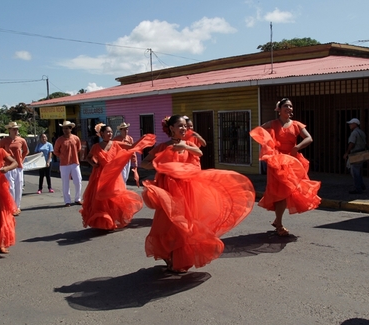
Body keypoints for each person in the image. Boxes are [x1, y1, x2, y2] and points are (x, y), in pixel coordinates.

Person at [141, 115, 255, 273]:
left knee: (185, 224)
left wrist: (185, 147)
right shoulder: (162, 147)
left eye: (185, 126)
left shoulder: (187, 144)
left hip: (187, 189)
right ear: (171, 128)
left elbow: (199, 152)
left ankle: (179, 258)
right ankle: (169, 255)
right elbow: (144, 162)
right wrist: (159, 165)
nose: (184, 129)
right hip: (169, 190)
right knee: (169, 223)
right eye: (179, 126)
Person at [250, 98, 321, 236]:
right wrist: (269, 146)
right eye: (286, 106)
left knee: (290, 191)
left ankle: (277, 221)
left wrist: (298, 147)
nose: (289, 108)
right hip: (277, 163)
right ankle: (279, 224)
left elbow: (309, 138)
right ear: (279, 109)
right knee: (280, 193)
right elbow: (257, 132)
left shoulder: (296, 125)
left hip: (292, 162)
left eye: (291, 106)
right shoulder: (272, 124)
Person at [81, 124, 155, 230]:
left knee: (114, 198)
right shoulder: (96, 146)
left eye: (111, 132)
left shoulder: (116, 144)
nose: (110, 134)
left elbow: (131, 147)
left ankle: (112, 219)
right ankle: (103, 221)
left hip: (113, 176)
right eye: (107, 132)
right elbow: (88, 157)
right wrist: (93, 164)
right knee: (101, 200)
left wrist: (142, 139)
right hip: (99, 175)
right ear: (101, 134)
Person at [0, 121, 29, 216]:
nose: (16, 131)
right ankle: (12, 207)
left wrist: (21, 159)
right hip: (8, 166)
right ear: (9, 130)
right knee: (10, 187)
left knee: (19, 186)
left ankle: (17, 206)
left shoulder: (21, 140)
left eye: (16, 129)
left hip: (18, 166)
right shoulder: (4, 141)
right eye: (14, 129)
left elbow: (26, 151)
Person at [53, 120, 82, 207]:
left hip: (75, 162)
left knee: (78, 181)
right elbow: (55, 151)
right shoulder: (59, 140)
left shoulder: (76, 138)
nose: (65, 130)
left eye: (67, 128)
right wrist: (62, 156)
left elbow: (78, 148)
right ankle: (67, 201)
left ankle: (78, 198)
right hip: (64, 164)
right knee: (65, 182)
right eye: (63, 128)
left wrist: (72, 154)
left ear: (71, 129)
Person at [343, 118, 367, 194]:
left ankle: (358, 188)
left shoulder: (354, 133)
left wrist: (347, 153)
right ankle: (361, 185)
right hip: (362, 153)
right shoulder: (361, 132)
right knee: (358, 171)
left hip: (356, 154)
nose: (349, 125)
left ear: (355, 124)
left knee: (354, 172)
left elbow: (351, 143)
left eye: (351, 124)